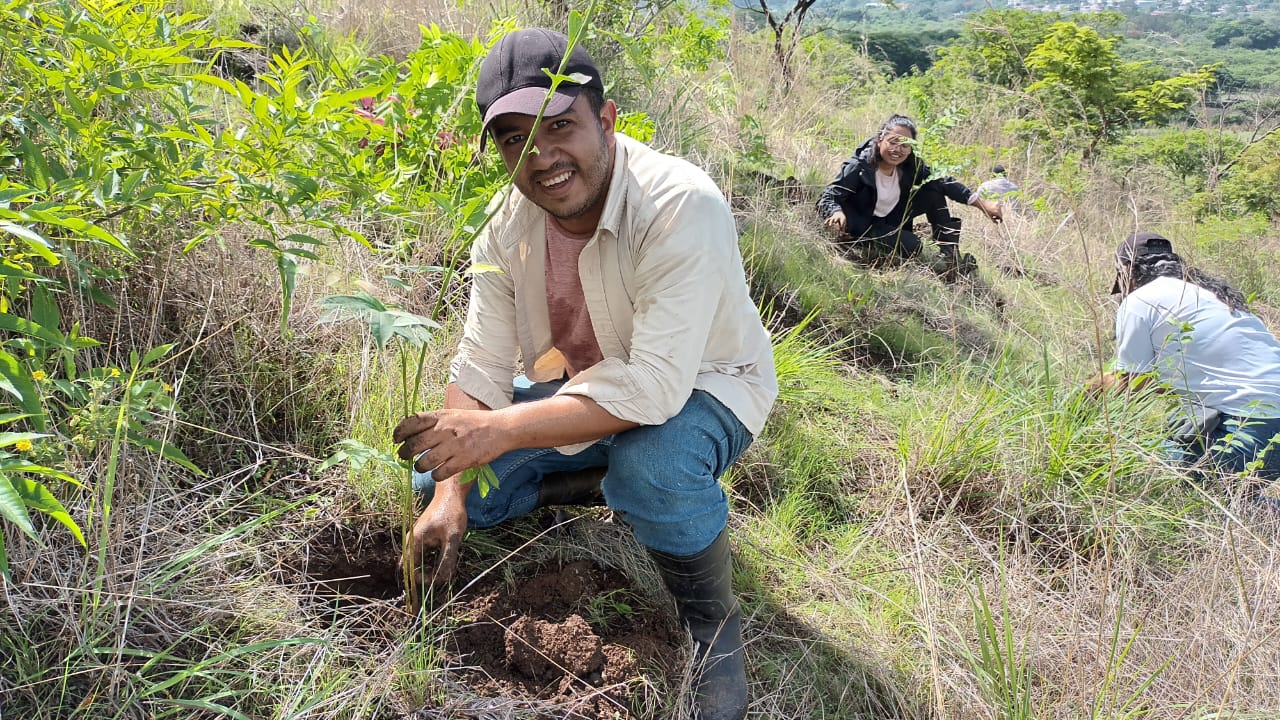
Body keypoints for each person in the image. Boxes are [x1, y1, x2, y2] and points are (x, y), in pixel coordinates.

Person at [391, 28, 778, 720]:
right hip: (585, 392)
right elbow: (478, 363)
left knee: (653, 465)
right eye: (513, 139)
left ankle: (713, 628)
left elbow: (657, 385)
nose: (540, 157)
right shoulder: (505, 228)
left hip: (707, 387)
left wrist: (501, 429)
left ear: (606, 120)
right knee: (435, 477)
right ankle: (594, 481)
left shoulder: (679, 205)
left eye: (559, 126)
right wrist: (451, 489)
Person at [1092, 231, 1280, 501]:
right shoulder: (1212, 296)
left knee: (1147, 469)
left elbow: (1132, 384)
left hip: (1254, 424)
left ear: (1126, 270)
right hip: (1263, 420)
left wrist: (1086, 396)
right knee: (1237, 497)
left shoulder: (1139, 301)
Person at [815, 114, 1003, 272]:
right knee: (912, 246)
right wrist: (835, 212)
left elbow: (943, 181)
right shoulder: (860, 167)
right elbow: (829, 195)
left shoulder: (911, 166)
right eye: (892, 142)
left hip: (892, 218)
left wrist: (982, 205)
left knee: (932, 188)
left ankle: (949, 254)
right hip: (864, 226)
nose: (897, 150)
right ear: (880, 139)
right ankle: (870, 248)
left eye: (905, 145)